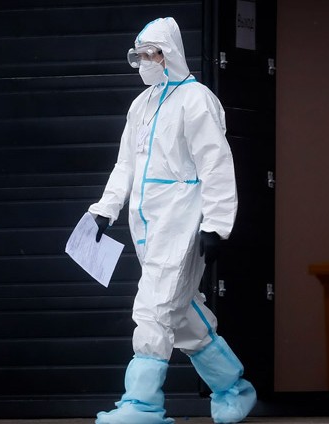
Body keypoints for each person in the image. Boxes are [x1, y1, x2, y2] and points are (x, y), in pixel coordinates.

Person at [88, 17, 256, 424]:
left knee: (154, 307)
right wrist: (104, 209)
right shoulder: (141, 106)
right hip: (147, 224)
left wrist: (216, 224)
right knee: (180, 313)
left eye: (152, 54)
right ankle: (232, 387)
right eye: (139, 55)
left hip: (182, 221)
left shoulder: (196, 100)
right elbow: (126, 164)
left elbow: (216, 164)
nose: (145, 62)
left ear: (170, 54)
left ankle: (141, 404)